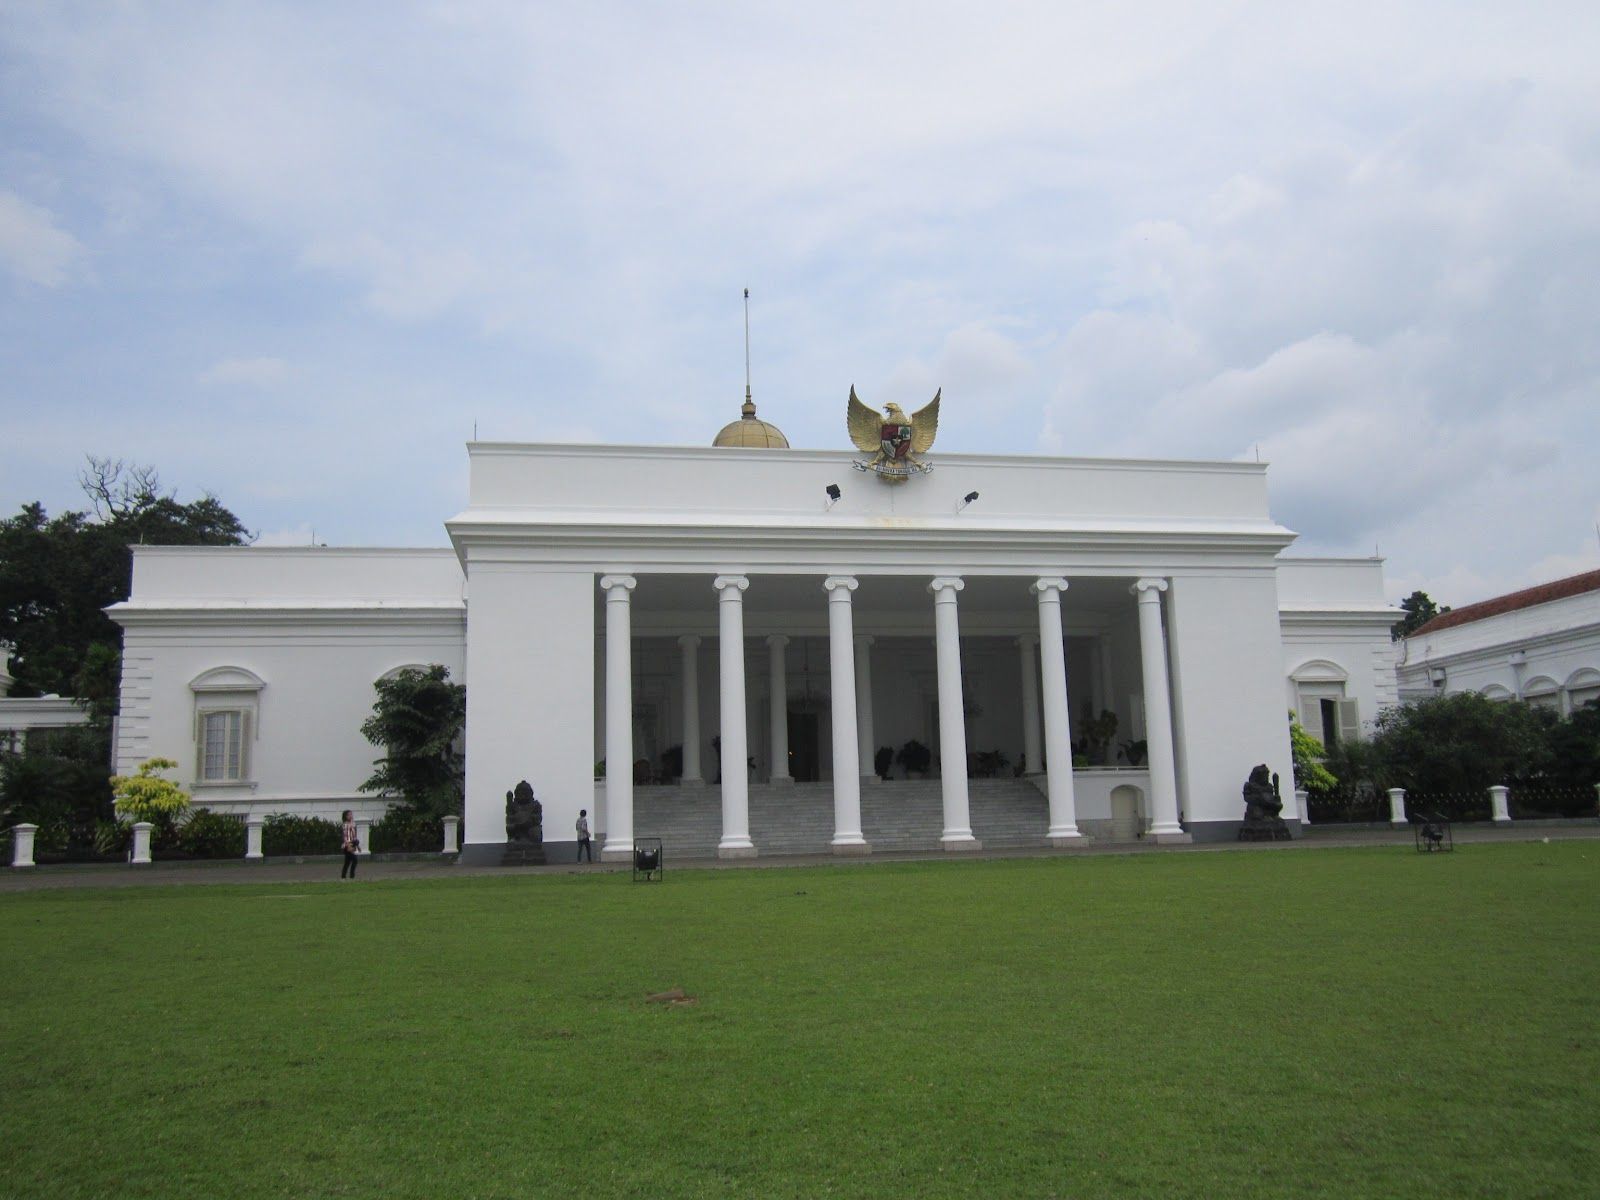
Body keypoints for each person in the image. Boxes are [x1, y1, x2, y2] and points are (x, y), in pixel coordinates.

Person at [341, 810, 360, 879]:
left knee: (347, 862)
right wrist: (348, 845)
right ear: (345, 817)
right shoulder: (345, 825)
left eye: (351, 814)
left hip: (352, 843)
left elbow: (354, 836)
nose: (351, 816)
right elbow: (344, 836)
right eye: (349, 815)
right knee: (354, 860)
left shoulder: (353, 824)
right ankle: (351, 876)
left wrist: (357, 846)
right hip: (348, 845)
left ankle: (343, 877)